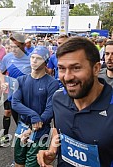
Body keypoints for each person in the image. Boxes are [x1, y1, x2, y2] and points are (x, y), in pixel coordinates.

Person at [37, 37, 113, 167]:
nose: (67, 77)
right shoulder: (58, 98)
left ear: (96, 69)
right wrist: (53, 150)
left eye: (76, 68)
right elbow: (58, 130)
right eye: (61, 68)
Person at [11, 46, 59, 167]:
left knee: (32, 165)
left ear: (45, 62)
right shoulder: (21, 79)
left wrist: (33, 127)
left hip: (40, 131)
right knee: (18, 163)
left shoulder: (52, 83)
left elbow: (50, 109)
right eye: (32, 57)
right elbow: (15, 103)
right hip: (22, 128)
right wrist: (33, 115)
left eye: (38, 58)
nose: (34, 61)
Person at [0, 33, 31, 147]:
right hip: (12, 96)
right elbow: (1, 71)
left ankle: (24, 151)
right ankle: (11, 138)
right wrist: (3, 82)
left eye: (16, 46)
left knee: (24, 123)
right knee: (17, 121)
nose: (13, 49)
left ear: (24, 45)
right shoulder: (7, 57)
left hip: (27, 98)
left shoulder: (31, 58)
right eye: (11, 46)